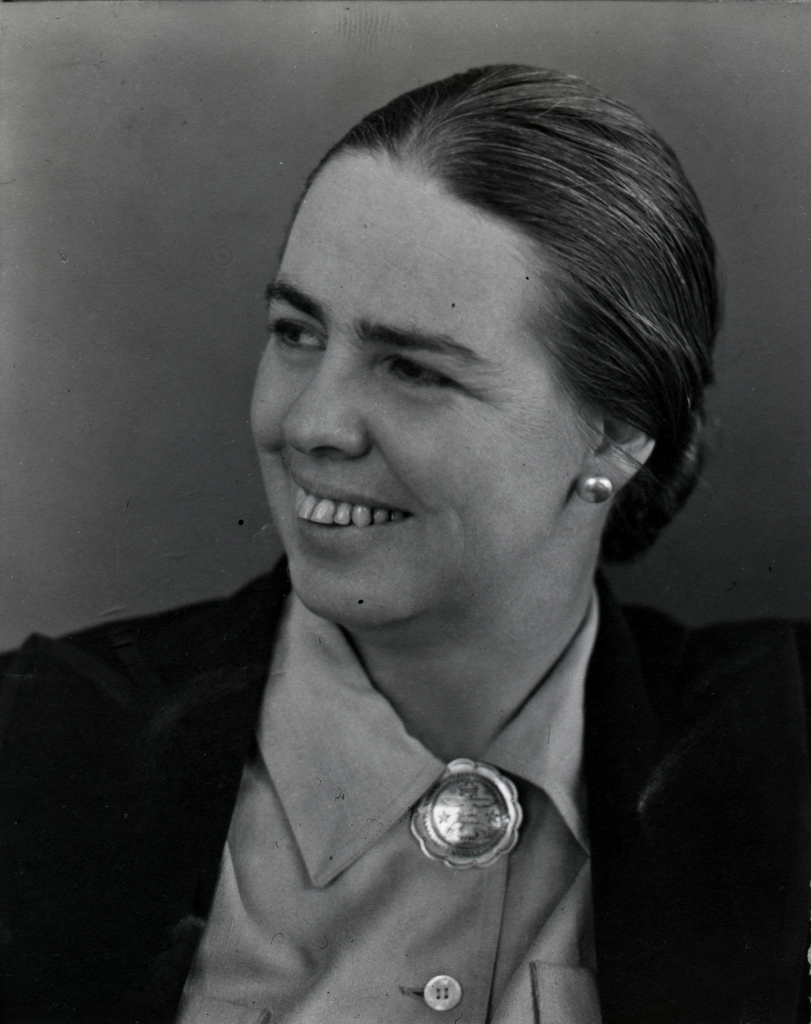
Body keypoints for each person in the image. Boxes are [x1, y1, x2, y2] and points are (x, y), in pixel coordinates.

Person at [1, 65, 809, 1024]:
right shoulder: (36, 746)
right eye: (297, 332)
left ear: (615, 434)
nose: (311, 423)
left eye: (413, 369)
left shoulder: (783, 746)